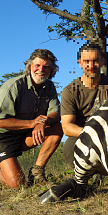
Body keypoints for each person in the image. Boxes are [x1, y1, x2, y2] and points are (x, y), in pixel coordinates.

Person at [61, 43, 108, 166]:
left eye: (95, 61)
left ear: (102, 61)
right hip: (85, 135)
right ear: (80, 63)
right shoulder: (70, 90)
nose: (91, 65)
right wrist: (95, 134)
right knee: (70, 148)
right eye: (86, 61)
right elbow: (67, 128)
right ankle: (83, 178)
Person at [0, 49, 63, 188]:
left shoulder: (50, 87)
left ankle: (36, 173)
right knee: (18, 185)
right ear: (30, 67)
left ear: (52, 70)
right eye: (37, 66)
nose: (41, 70)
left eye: (46, 67)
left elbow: (55, 114)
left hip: (24, 136)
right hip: (3, 138)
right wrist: (32, 123)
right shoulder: (13, 86)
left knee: (57, 128)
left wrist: (42, 122)